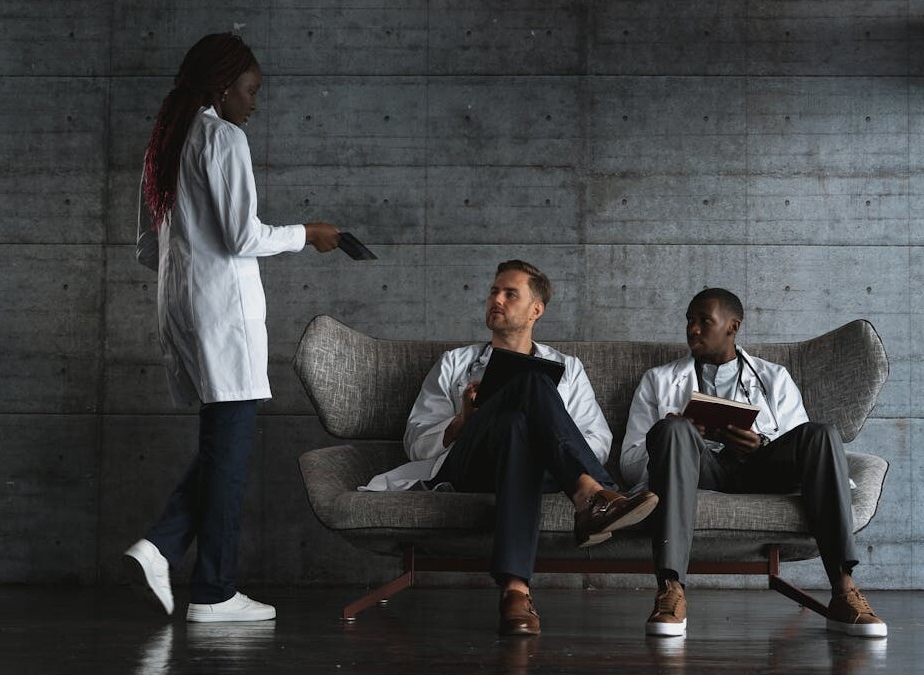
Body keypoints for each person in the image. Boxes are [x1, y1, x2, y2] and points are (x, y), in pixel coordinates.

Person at [124, 33, 341, 623]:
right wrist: (307, 234)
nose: (254, 102)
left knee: (223, 447)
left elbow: (148, 246)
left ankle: (166, 550)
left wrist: (192, 261)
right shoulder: (223, 137)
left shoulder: (164, 143)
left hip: (181, 309)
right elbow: (243, 237)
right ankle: (212, 591)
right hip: (222, 316)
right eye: (249, 90)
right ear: (222, 85)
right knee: (230, 450)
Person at [364, 260, 658, 636]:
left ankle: (515, 590)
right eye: (493, 291)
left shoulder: (567, 366)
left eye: (509, 293)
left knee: (519, 423)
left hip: (538, 468)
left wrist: (544, 434)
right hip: (469, 466)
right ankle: (593, 494)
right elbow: (416, 442)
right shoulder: (455, 363)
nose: (496, 299)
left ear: (536, 309)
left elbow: (598, 441)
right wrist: (464, 420)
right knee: (533, 384)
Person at [621, 288, 887, 638]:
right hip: (699, 470)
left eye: (704, 321)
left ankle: (843, 589)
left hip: (761, 468)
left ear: (733, 326)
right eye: (689, 321)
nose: (693, 329)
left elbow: (801, 444)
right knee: (672, 428)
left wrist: (761, 443)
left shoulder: (773, 376)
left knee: (821, 433)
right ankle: (670, 589)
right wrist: (676, 437)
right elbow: (628, 463)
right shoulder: (658, 380)